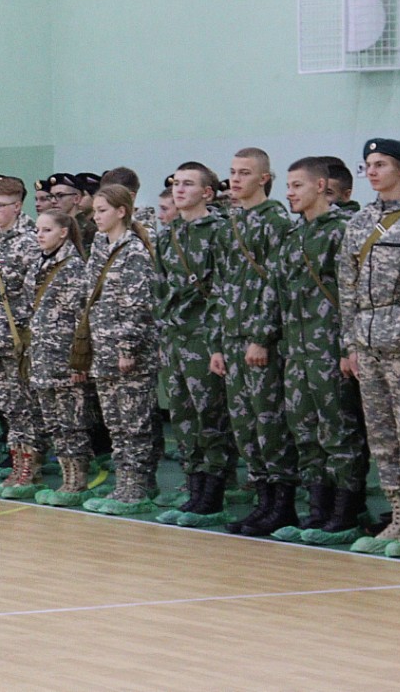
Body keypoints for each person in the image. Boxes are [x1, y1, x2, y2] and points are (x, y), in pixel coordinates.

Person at [276, 157, 368, 543]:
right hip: (298, 350)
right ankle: (318, 511)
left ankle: (346, 514)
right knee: (305, 432)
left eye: (297, 185)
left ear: (319, 187)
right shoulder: (293, 236)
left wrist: (349, 346)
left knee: (339, 431)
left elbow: (354, 293)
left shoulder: (341, 230)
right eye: (288, 186)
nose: (290, 193)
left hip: (330, 346)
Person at [210, 147, 298, 537]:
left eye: (244, 173)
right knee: (245, 427)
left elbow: (276, 284)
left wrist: (262, 337)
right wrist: (218, 343)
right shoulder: (229, 223)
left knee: (269, 423)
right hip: (232, 338)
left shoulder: (275, 221)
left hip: (261, 340)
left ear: (264, 178)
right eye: (232, 172)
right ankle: (262, 501)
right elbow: (220, 286)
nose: (235, 179)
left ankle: (282, 505)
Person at [340, 138, 400, 556]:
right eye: (367, 164)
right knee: (383, 437)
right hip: (367, 340)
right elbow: (346, 286)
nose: (371, 171)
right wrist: (350, 343)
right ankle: (398, 518)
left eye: (381, 163)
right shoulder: (361, 220)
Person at [154, 163, 232, 527]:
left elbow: (224, 289)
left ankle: (212, 496)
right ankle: (194, 488)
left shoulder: (219, 231)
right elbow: (159, 287)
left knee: (210, 416)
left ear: (207, 193)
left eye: (188, 184)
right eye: (176, 184)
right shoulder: (168, 235)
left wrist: (217, 341)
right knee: (182, 417)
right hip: (175, 338)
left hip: (205, 338)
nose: (179, 189)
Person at [81, 185, 161, 516]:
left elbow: (137, 304)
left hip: (130, 354)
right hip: (103, 350)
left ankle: (137, 487)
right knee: (115, 423)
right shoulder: (101, 246)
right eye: (94, 211)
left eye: (102, 211)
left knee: (134, 424)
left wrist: (127, 348)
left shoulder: (134, 251)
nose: (96, 217)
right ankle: (124, 483)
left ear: (121, 211)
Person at [0, 176, 44, 496]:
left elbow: (35, 296)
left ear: (17, 206)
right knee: (9, 406)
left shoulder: (29, 241)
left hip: (20, 340)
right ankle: (17, 467)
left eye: (0, 206)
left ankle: (29, 469)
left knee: (25, 406)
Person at [25, 210, 91, 506]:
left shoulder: (72, 266)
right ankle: (66, 478)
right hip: (42, 355)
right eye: (38, 230)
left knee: (70, 422)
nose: (40, 235)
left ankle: (77, 482)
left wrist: (79, 360)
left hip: (64, 356)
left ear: (63, 232)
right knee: (53, 422)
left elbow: (81, 316)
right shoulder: (40, 263)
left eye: (47, 230)